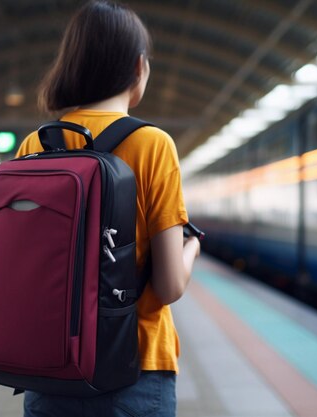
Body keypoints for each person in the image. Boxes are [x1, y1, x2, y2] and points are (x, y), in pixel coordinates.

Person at [15, 1, 201, 416]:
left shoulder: (35, 145)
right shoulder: (153, 144)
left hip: (49, 363)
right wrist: (192, 249)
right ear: (139, 68)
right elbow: (169, 286)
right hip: (134, 367)